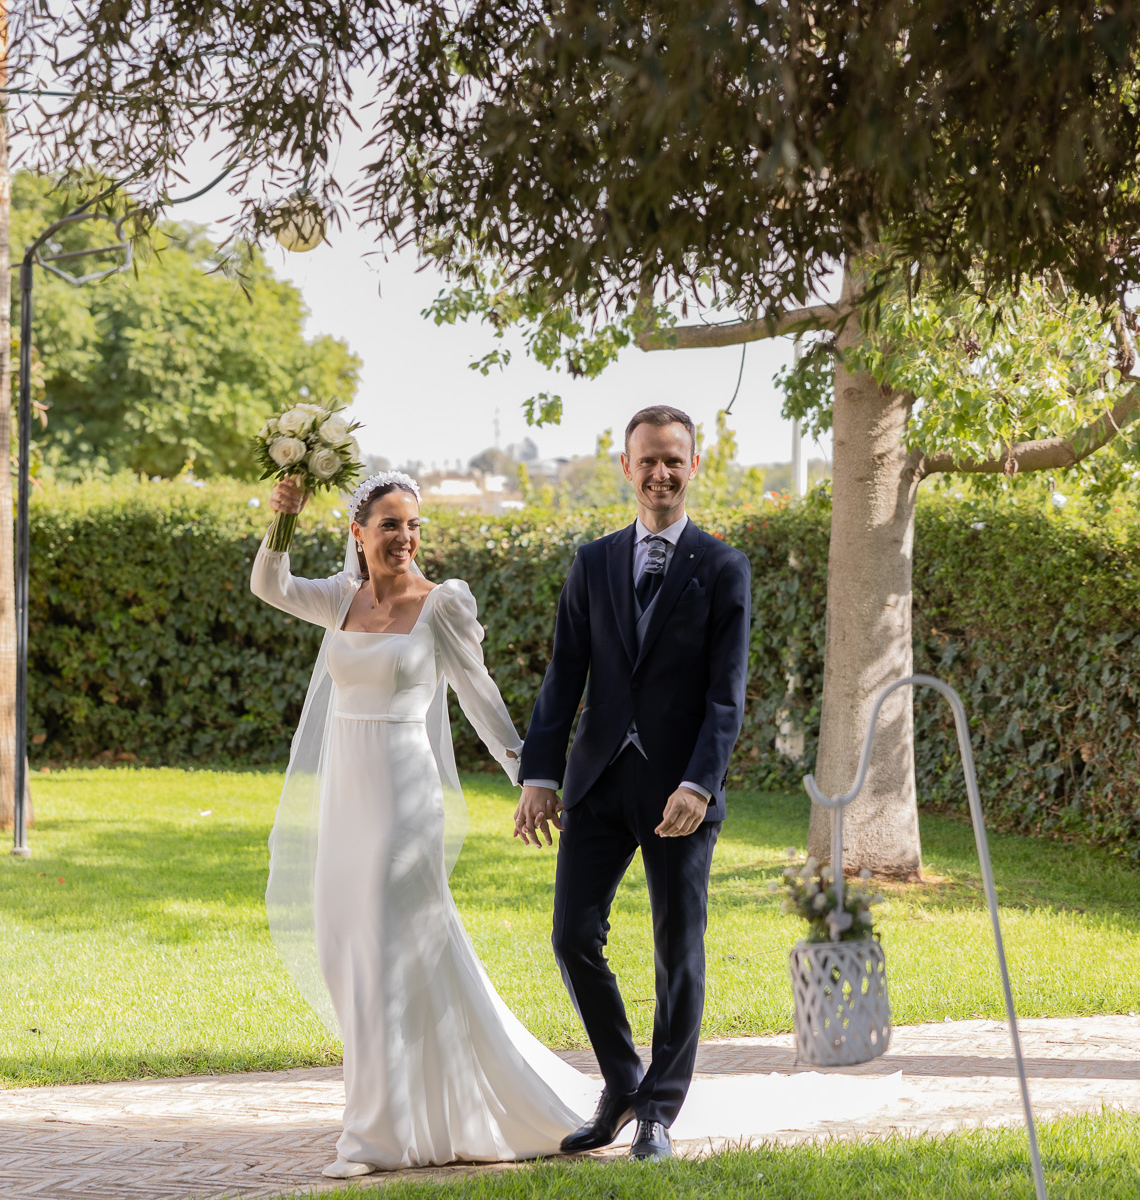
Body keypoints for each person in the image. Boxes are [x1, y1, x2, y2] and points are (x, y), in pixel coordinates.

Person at [253, 458, 902, 1180]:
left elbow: (481, 696)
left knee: (384, 938)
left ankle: (376, 1133)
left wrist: (528, 775)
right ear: (358, 532)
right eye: (389, 526)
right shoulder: (338, 599)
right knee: (350, 946)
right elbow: (268, 585)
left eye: (412, 525)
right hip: (348, 794)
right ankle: (399, 1106)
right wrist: (281, 515)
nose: (403, 538)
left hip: (404, 798)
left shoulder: (442, 604)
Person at [515, 404, 751, 1162]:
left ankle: (659, 1112)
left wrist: (699, 785)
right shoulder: (593, 562)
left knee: (677, 953)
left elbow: (727, 695)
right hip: (598, 783)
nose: (660, 473)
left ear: (693, 465)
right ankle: (623, 1083)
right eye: (647, 460)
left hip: (681, 794)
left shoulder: (721, 567)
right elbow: (564, 678)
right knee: (572, 937)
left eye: (673, 460)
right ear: (626, 466)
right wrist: (540, 776)